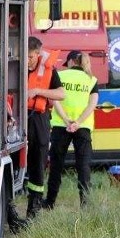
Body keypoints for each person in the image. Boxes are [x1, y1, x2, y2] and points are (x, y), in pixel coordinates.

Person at [43, 50, 99, 209]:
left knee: (56, 165)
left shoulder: (61, 76)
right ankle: (85, 204)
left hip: (62, 125)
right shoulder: (91, 80)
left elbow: (54, 99)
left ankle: (50, 202)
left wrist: (67, 120)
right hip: (83, 127)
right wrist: (78, 122)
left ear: (71, 62)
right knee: (83, 166)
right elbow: (92, 104)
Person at [25, 37, 65, 218]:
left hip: (38, 118)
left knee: (38, 161)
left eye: (32, 57)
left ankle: (34, 208)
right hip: (15, 116)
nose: (28, 61)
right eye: (26, 57)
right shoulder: (13, 65)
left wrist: (38, 91)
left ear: (38, 55)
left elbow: (61, 94)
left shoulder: (48, 71)